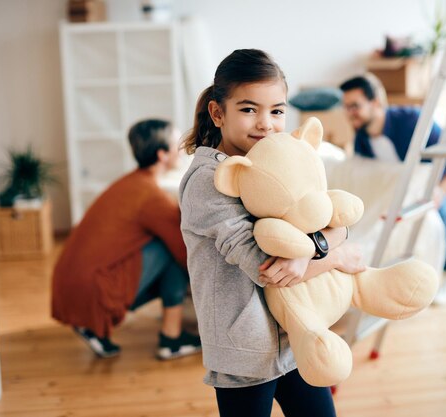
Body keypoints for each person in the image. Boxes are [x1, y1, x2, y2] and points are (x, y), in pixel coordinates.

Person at [179, 49, 365, 417]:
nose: (266, 124)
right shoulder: (209, 182)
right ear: (218, 113)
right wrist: (337, 256)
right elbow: (269, 269)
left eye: (277, 111)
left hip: (293, 333)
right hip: (245, 351)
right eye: (249, 109)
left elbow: (331, 218)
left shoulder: (276, 164)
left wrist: (313, 248)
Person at [52, 119, 201, 360]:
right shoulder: (151, 197)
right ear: (162, 154)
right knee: (175, 250)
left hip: (71, 286)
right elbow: (184, 254)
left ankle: (169, 337)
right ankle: (171, 340)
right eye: (176, 144)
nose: (181, 149)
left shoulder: (132, 182)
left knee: (169, 248)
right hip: (93, 291)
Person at [339, 74, 446, 305]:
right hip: (409, 196)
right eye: (346, 108)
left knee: (440, 213)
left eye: (355, 106)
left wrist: (440, 192)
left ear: (376, 103)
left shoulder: (413, 121)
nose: (349, 113)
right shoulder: (362, 139)